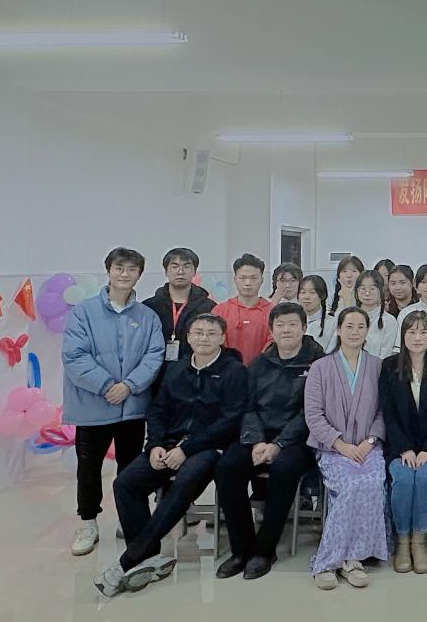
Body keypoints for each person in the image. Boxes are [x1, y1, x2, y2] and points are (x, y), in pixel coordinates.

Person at [95, 313, 245, 596]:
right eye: (198, 332)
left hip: (208, 447)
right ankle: (149, 557)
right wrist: (155, 445)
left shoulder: (234, 371)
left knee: (184, 483)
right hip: (168, 444)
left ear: (223, 338)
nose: (204, 338)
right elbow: (157, 410)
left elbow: (230, 420)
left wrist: (186, 450)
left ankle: (129, 560)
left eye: (211, 333)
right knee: (125, 484)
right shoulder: (175, 369)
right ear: (188, 336)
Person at [62, 247, 166, 557]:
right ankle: (88, 523)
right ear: (108, 271)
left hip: (132, 407)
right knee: (89, 468)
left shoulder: (147, 316)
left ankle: (128, 516)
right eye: (119, 268)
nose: (125, 274)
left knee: (131, 466)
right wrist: (108, 385)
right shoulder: (83, 312)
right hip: (92, 405)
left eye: (132, 269)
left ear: (139, 275)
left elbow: (154, 355)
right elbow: (74, 356)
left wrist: (129, 386)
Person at [214, 303, 324, 581]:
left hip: (298, 440)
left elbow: (310, 412)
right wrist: (256, 442)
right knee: (227, 467)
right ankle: (241, 549)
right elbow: (248, 407)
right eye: (280, 325)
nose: (286, 330)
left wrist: (279, 444)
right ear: (271, 331)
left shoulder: (318, 364)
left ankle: (265, 549)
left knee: (284, 469)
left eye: (293, 324)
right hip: (259, 437)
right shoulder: (259, 364)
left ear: (304, 328)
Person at [304, 307, 389, 589]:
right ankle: (328, 561)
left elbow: (383, 411)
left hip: (368, 446)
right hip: (332, 448)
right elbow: (313, 414)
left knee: (372, 483)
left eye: (360, 327)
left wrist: (370, 441)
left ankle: (354, 558)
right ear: (338, 330)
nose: (354, 332)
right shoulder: (320, 367)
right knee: (351, 486)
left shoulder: (377, 366)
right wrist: (339, 444)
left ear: (367, 331)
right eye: (349, 326)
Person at [379, 311, 427, 574]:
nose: (417, 338)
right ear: (403, 336)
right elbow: (387, 413)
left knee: (424, 478)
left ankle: (418, 541)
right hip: (400, 446)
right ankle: (402, 541)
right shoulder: (389, 366)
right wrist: (404, 448)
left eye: (423, 332)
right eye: (411, 332)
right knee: (403, 478)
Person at [142, 247, 215, 395]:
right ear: (166, 271)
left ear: (194, 272)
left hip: (195, 380)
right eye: (174, 266)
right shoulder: (149, 307)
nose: (180, 271)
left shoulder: (209, 308)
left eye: (186, 266)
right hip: (154, 379)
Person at [214, 254, 274, 365]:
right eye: (242, 278)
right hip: (226, 371)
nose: (248, 283)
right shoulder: (220, 310)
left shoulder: (273, 311)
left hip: (264, 371)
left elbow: (273, 345)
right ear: (235, 279)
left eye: (253, 278)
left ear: (262, 280)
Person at [354, 269, 399, 358]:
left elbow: (385, 355)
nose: (367, 293)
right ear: (357, 291)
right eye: (363, 288)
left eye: (372, 288)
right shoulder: (349, 317)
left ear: (381, 291)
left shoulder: (389, 321)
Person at [298, 275, 335, 350]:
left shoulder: (333, 323)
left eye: (312, 292)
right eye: (303, 292)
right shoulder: (293, 321)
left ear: (322, 295)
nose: (306, 297)